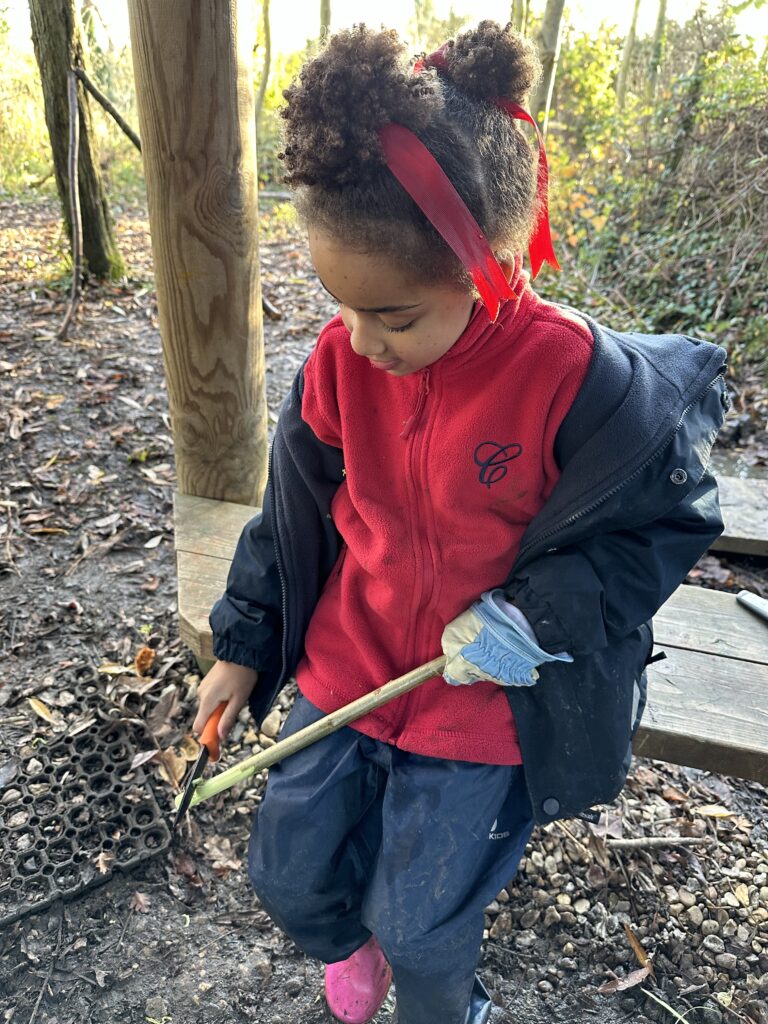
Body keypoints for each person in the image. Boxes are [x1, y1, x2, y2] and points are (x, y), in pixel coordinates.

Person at [192, 21, 727, 1024]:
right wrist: (245, 642)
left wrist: (539, 614)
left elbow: (663, 523)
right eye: (342, 308)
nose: (361, 343)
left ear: (486, 265)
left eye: (393, 317)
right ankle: (352, 947)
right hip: (352, 667)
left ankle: (446, 1007)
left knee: (423, 918)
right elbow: (293, 515)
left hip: (480, 705)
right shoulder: (338, 365)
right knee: (287, 870)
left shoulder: (578, 383)